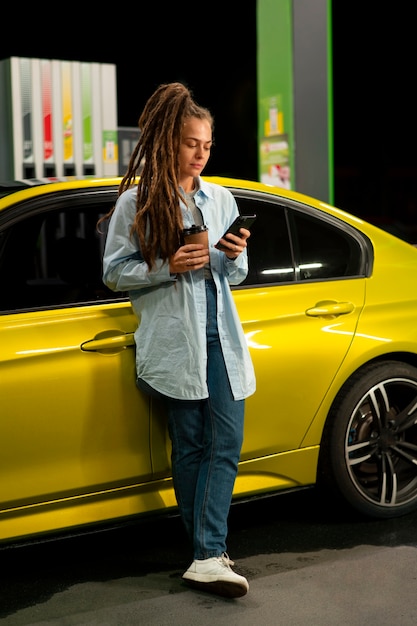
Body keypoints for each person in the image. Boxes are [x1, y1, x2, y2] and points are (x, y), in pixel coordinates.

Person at [100, 82, 256, 598]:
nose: (201, 153)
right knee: (191, 445)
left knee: (225, 441)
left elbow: (235, 276)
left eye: (208, 145)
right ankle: (207, 554)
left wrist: (232, 255)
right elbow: (115, 273)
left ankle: (207, 552)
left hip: (220, 337)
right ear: (169, 142)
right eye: (193, 143)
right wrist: (166, 267)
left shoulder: (221, 198)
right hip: (175, 341)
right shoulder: (136, 202)